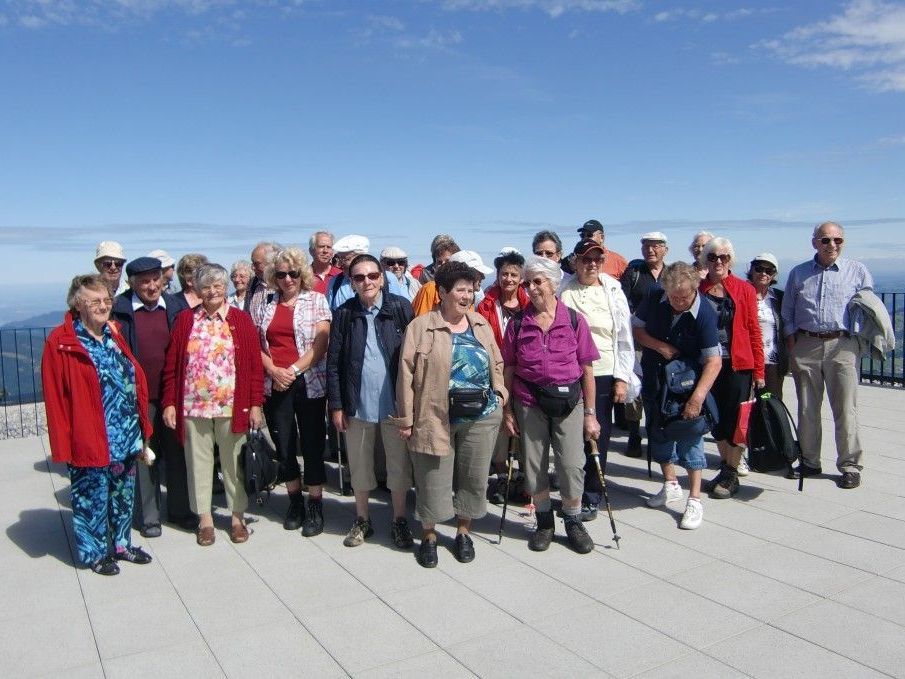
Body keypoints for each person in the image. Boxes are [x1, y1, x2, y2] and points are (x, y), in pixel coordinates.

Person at [395, 261, 507, 568]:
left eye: (470, 289)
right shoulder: (420, 326)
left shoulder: (479, 324)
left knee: (473, 477)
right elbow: (405, 375)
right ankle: (429, 535)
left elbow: (497, 363)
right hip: (435, 416)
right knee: (433, 478)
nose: (467, 295)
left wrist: (499, 395)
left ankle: (463, 532)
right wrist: (406, 419)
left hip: (480, 417)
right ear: (441, 292)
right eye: (460, 289)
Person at [42, 274, 154, 574]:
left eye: (107, 300)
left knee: (122, 492)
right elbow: (55, 399)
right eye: (95, 301)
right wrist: (62, 445)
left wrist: (142, 429)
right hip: (91, 434)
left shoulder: (113, 333)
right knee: (90, 495)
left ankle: (121, 543)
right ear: (78, 305)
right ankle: (93, 553)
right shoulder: (62, 342)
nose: (104, 306)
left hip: (125, 433)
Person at [502, 256, 599, 554]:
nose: (531, 288)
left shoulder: (573, 320)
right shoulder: (518, 323)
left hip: (569, 401)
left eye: (538, 281)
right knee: (533, 467)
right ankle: (544, 522)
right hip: (529, 402)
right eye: (527, 282)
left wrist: (591, 414)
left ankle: (572, 519)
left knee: (571, 465)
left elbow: (587, 370)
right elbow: (508, 367)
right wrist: (507, 410)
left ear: (554, 284)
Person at [162, 263, 264, 546]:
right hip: (193, 406)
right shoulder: (185, 320)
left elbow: (254, 367)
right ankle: (205, 519)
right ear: (197, 289)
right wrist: (170, 402)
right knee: (199, 464)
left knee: (234, 464)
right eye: (206, 287)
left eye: (217, 286)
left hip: (233, 405)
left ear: (225, 288)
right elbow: (172, 365)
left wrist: (255, 404)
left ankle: (236, 517)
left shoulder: (241, 320)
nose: (212, 292)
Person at [327, 254, 416, 548]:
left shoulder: (400, 308)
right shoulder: (343, 314)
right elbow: (334, 364)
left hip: (395, 404)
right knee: (360, 466)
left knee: (399, 466)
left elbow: (416, 358)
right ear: (351, 282)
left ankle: (399, 519)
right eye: (359, 277)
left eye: (372, 276)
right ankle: (362, 519)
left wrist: (413, 405)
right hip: (358, 404)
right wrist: (337, 405)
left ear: (382, 277)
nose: (367, 282)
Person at [781, 221, 873, 489]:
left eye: (838, 240)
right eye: (825, 240)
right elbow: (788, 309)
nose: (832, 245)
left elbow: (868, 309)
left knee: (845, 409)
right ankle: (810, 461)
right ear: (814, 243)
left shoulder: (857, 271)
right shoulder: (798, 273)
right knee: (807, 408)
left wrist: (858, 339)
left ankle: (850, 466)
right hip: (806, 344)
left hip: (842, 345)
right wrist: (790, 336)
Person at [632, 262, 722, 530]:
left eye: (683, 297)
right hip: (655, 378)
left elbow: (714, 361)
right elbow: (637, 329)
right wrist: (662, 348)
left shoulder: (705, 313)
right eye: (672, 297)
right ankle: (670, 483)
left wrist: (697, 399)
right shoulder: (654, 296)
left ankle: (695, 498)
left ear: (695, 290)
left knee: (690, 439)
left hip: (687, 384)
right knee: (657, 432)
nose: (677, 303)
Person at [111, 256, 194, 537]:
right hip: (138, 395)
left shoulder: (175, 307)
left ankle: (181, 511)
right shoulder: (120, 309)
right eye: (144, 281)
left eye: (156, 279)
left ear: (163, 279)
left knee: (177, 451)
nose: (151, 286)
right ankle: (149, 517)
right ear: (133, 283)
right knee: (145, 454)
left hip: (173, 391)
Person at [255, 247, 332, 535]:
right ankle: (294, 501)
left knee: (312, 444)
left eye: (293, 273)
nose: (288, 279)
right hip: (274, 382)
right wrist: (274, 371)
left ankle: (315, 503)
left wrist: (292, 371)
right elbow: (257, 345)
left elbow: (320, 346)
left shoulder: (317, 300)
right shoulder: (265, 304)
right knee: (284, 444)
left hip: (307, 381)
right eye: (281, 274)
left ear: (302, 274)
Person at [560, 239, 638, 521]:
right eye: (585, 259)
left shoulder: (612, 290)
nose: (591, 264)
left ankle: (592, 495)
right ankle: (572, 491)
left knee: (598, 435)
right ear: (575, 262)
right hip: (570, 372)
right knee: (571, 436)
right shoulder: (564, 290)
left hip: (604, 369)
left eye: (597, 259)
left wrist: (622, 377)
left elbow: (624, 336)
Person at [698, 237, 765, 497]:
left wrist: (759, 371)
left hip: (738, 364)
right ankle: (727, 469)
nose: (718, 262)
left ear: (730, 261)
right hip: (709, 364)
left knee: (737, 419)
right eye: (713, 257)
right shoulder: (699, 288)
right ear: (705, 259)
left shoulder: (743, 289)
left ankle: (730, 472)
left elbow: (753, 331)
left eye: (723, 257)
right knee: (717, 419)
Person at [475, 248, 530, 502]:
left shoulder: (529, 303)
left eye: (514, 274)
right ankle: (500, 473)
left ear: (521, 278)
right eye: (504, 274)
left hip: (523, 371)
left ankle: (523, 475)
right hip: (494, 370)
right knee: (499, 421)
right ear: (497, 276)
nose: (509, 279)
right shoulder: (486, 304)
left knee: (522, 421)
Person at [619, 231, 669, 457]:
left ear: (665, 249)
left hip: (664, 339)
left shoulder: (672, 273)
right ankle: (634, 433)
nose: (650, 250)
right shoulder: (634, 272)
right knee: (635, 388)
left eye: (655, 246)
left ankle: (656, 430)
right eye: (646, 246)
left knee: (660, 386)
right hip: (636, 338)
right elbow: (623, 301)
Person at [327, 235, 406, 310]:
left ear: (359, 258)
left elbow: (397, 308)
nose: (340, 264)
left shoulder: (388, 278)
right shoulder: (335, 282)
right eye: (339, 259)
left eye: (345, 259)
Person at [747, 253, 788, 398]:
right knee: (749, 402)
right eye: (759, 269)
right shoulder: (743, 294)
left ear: (774, 275)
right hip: (749, 362)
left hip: (773, 363)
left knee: (770, 402)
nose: (763, 273)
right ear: (751, 270)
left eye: (769, 271)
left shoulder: (779, 297)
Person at [411, 250, 493, 316]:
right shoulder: (430, 289)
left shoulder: (470, 297)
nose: (483, 277)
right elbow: (420, 330)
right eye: (479, 273)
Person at [245, 241, 280, 323]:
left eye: (257, 264)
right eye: (252, 263)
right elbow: (247, 314)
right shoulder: (253, 283)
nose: (252, 268)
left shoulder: (282, 284)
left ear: (271, 263)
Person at [309, 230, 342, 295]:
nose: (325, 251)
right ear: (311, 251)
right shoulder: (302, 277)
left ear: (333, 252)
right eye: (321, 246)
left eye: (329, 247)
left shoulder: (341, 275)